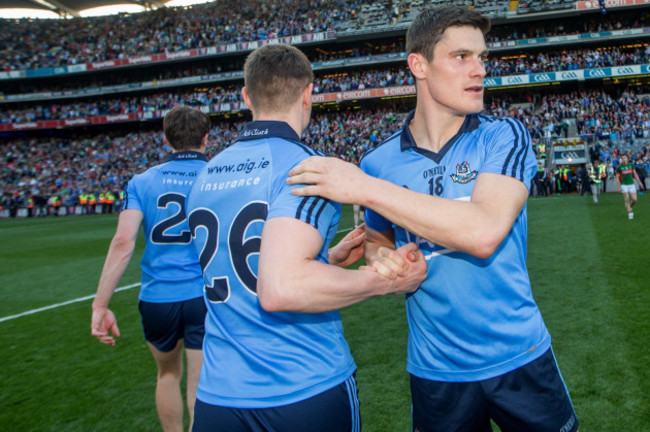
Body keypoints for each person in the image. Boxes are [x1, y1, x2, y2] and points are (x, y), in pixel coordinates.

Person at [287, 6, 578, 432]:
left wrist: (365, 188)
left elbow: (483, 233)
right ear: (418, 65)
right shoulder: (378, 161)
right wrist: (387, 260)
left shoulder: (504, 135)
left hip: (519, 356)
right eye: (462, 57)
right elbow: (379, 245)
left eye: (482, 58)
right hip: (436, 371)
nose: (479, 70)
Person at [185, 43, 427, 432]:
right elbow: (281, 288)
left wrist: (323, 259)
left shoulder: (206, 174)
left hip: (218, 395)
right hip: (300, 384)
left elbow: (245, 263)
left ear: (247, 96)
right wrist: (386, 279)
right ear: (308, 93)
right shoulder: (309, 169)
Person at [91, 106, 212, 432]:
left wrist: (100, 304)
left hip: (158, 297)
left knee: (167, 374)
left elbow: (122, 242)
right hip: (204, 295)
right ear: (205, 137)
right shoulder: (216, 175)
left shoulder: (142, 181)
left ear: (165, 139)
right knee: (200, 382)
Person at [616, 153, 642, 219]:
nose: (624, 159)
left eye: (624, 158)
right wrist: (618, 187)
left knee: (634, 199)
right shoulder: (619, 167)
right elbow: (617, 178)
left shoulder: (631, 165)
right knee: (627, 199)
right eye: (622, 158)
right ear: (621, 159)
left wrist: (639, 182)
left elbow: (635, 174)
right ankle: (629, 212)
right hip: (624, 185)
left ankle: (630, 207)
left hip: (631, 184)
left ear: (627, 158)